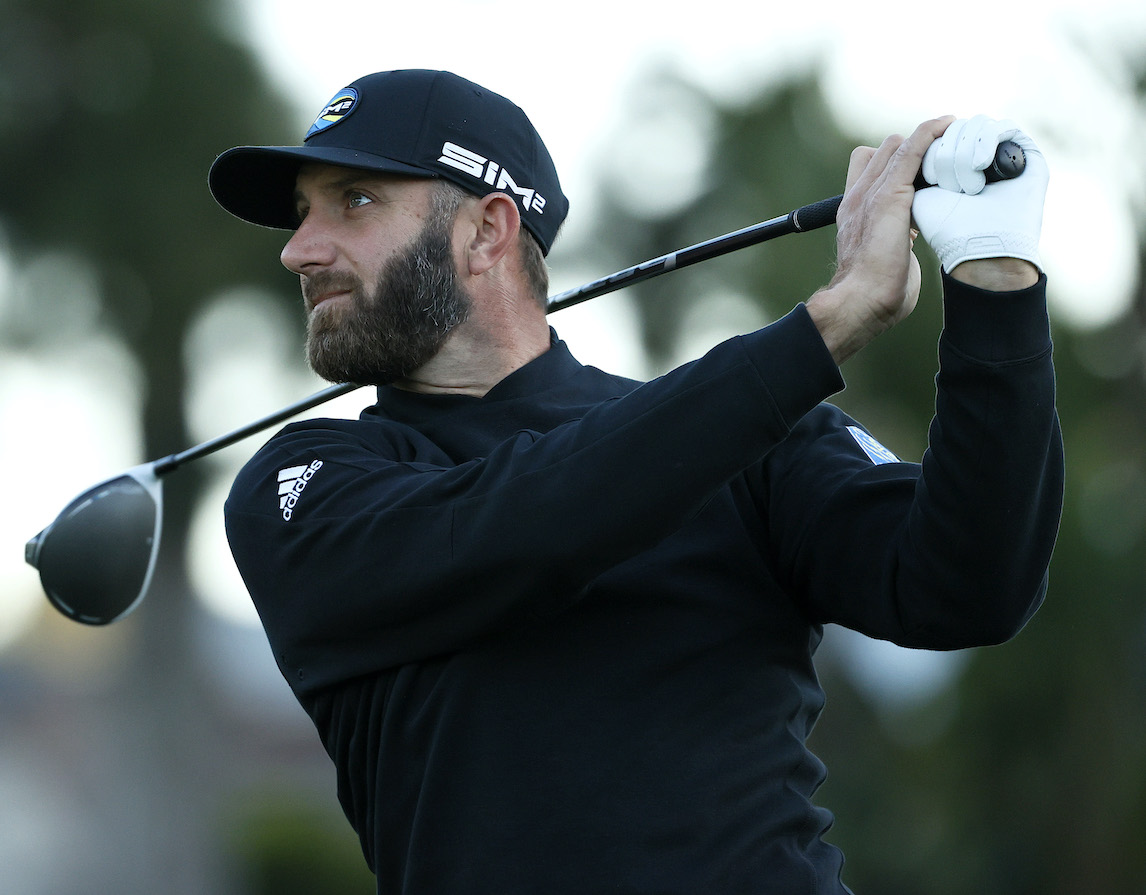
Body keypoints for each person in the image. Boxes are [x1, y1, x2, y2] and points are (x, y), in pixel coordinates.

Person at [209, 69, 1063, 894]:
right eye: (301, 215)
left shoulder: (752, 439)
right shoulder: (302, 485)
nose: (298, 250)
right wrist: (822, 330)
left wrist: (997, 287)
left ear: (486, 231)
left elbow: (968, 587)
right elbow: (519, 524)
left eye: (352, 201)